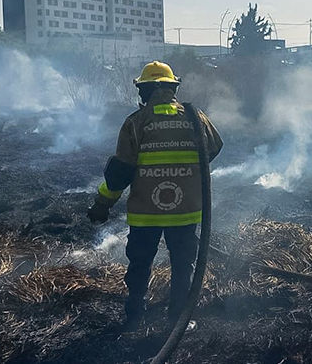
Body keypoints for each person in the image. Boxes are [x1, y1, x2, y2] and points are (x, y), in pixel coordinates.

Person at [87, 61, 223, 333]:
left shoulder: (136, 123)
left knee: (140, 263)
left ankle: (135, 314)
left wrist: (102, 205)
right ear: (172, 88)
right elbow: (215, 147)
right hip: (185, 210)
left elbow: (120, 173)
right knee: (183, 265)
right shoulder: (196, 118)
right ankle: (178, 320)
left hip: (145, 212)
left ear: (146, 91)